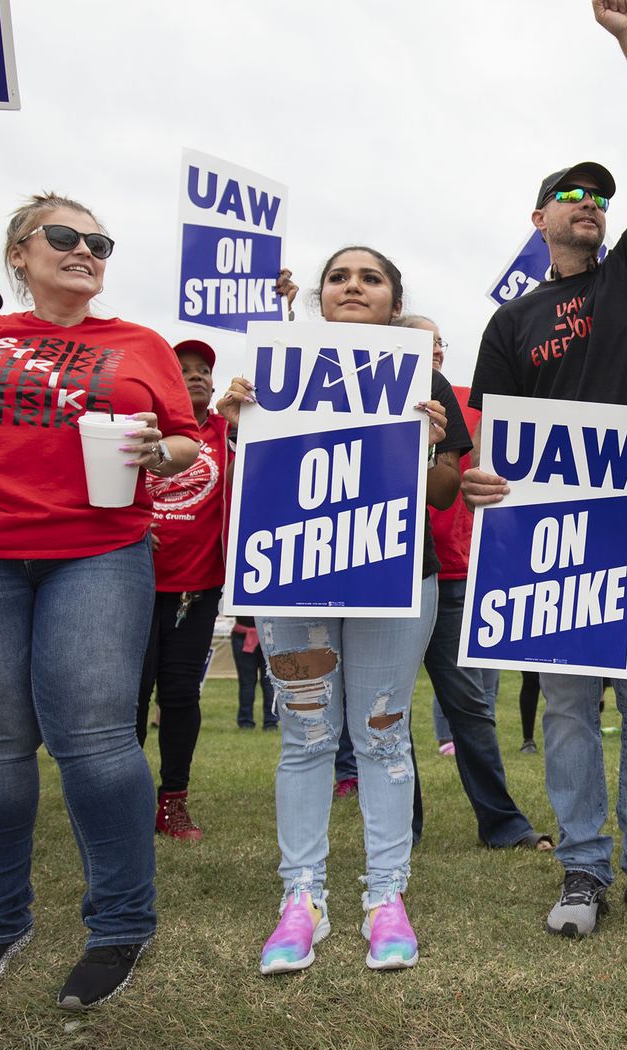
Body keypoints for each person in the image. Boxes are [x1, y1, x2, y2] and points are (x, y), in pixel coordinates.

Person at [0, 193, 204, 1008]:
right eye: (63, 237)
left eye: (99, 241)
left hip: (96, 551)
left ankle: (120, 924)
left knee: (98, 741)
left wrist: (157, 451)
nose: (85, 250)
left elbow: (183, 441)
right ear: (20, 256)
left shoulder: (141, 345)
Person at [463, 0, 627, 938]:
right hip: (544, 538)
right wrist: (484, 482)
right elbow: (488, 443)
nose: (589, 203)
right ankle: (582, 870)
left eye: (598, 195)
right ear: (538, 216)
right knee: (564, 710)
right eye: (571, 193)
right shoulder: (511, 322)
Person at [229, 246, 466, 976]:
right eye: (340, 277)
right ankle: (301, 899)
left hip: (397, 576)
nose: (354, 286)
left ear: (395, 301)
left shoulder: (423, 379)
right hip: (294, 577)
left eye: (371, 278)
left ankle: (385, 896)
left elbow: (447, 491)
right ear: (320, 296)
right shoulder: (276, 371)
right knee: (304, 735)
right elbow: (255, 471)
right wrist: (241, 422)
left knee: (382, 737)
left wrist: (428, 449)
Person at [405, 313, 551, 851]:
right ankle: (403, 824)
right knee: (386, 707)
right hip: (396, 570)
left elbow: (517, 441)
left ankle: (503, 822)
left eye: (438, 341)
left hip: (457, 572)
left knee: (470, 705)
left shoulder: (464, 396)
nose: (432, 350)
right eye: (418, 340)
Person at [133, 338, 233, 841]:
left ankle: (172, 801)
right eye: (183, 368)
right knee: (131, 696)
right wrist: (127, 529)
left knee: (179, 696)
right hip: (131, 584)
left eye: (203, 370)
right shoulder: (139, 424)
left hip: (196, 589)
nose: (195, 376)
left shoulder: (228, 431)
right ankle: (124, 802)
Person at [231, 616, 276, 730]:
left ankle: (270, 722)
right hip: (243, 635)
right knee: (247, 683)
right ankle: (246, 721)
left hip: (269, 634)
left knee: (269, 682)